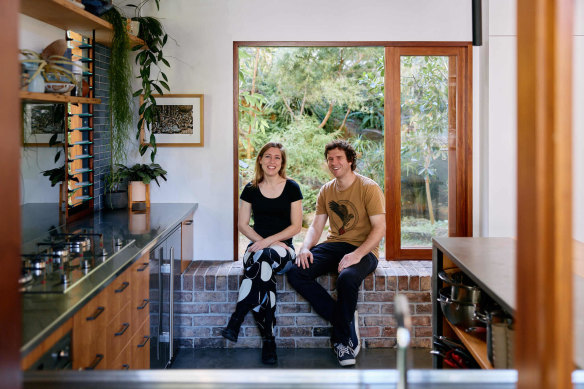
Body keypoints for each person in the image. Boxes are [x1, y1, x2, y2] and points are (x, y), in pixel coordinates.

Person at [287, 139, 385, 367]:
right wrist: (305, 248)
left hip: (364, 250)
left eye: (339, 158)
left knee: (348, 278)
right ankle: (346, 320)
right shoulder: (326, 190)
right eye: (330, 159)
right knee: (296, 271)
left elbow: (380, 228)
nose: (334, 162)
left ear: (350, 161)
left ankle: (342, 342)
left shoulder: (368, 187)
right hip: (335, 244)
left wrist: (357, 254)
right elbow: (316, 226)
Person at [221, 142, 303, 364]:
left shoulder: (292, 188)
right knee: (263, 269)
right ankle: (269, 341)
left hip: (283, 249)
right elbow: (243, 225)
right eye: (268, 157)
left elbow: (296, 227)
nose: (272, 162)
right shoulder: (250, 189)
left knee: (264, 259)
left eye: (277, 158)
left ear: (282, 162)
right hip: (257, 248)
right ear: (260, 159)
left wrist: (270, 241)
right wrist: (262, 242)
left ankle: (237, 318)